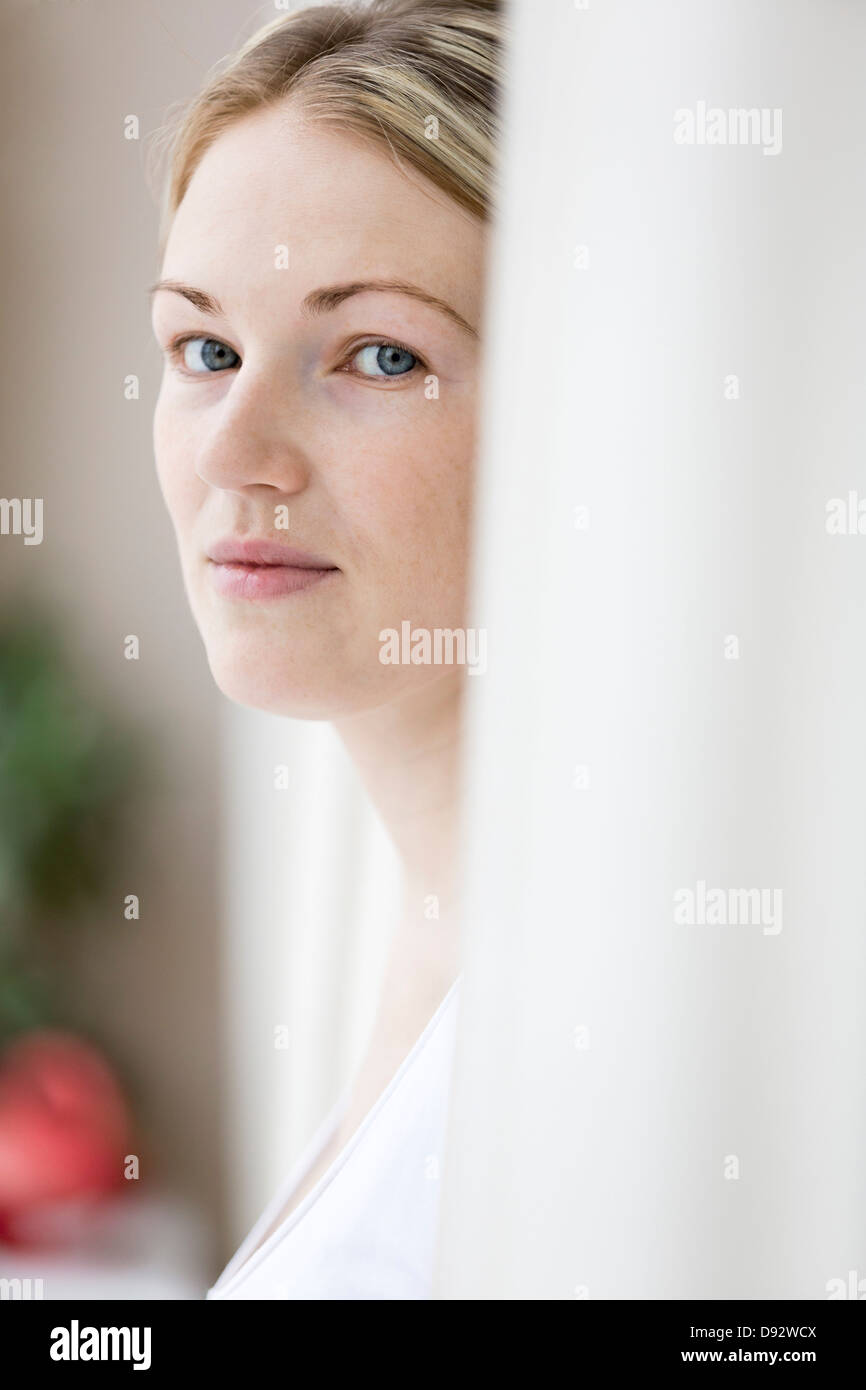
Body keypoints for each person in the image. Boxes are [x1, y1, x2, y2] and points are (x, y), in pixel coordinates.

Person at [149, 0, 503, 1298]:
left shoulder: (597, 1024)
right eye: (205, 348)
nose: (232, 452)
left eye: (376, 352)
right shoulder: (433, 927)